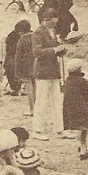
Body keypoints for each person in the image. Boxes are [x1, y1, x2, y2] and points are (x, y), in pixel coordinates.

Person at [30, 8, 66, 140]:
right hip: (43, 71)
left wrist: (61, 49)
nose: (56, 22)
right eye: (54, 19)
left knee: (57, 100)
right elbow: (37, 52)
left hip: (53, 70)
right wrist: (55, 49)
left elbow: (54, 48)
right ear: (47, 20)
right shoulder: (38, 33)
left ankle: (59, 129)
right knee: (42, 101)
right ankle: (37, 130)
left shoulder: (53, 31)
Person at [14, 21, 36, 116]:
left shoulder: (22, 40)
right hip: (36, 64)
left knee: (29, 88)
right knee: (35, 86)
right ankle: (37, 108)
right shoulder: (35, 36)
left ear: (21, 31)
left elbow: (18, 57)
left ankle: (32, 109)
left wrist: (17, 71)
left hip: (25, 66)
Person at [2, 20, 30, 96]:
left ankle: (28, 86)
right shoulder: (12, 36)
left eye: (22, 32)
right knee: (10, 64)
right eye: (19, 32)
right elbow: (10, 51)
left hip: (29, 58)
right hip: (15, 57)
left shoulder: (32, 36)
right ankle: (15, 87)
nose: (20, 34)